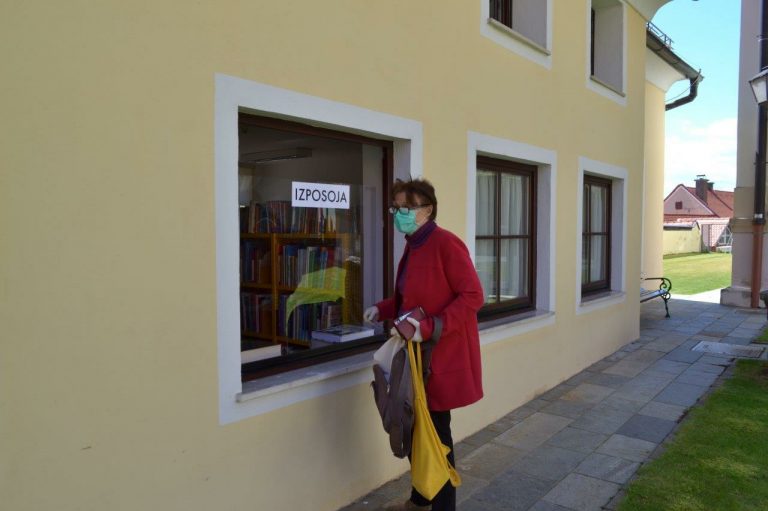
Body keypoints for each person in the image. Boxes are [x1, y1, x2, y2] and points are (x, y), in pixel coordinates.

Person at [364, 178, 484, 511]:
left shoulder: (446, 243)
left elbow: (473, 296)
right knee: (415, 429)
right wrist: (383, 308)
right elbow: (411, 298)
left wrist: (429, 327)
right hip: (415, 357)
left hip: (439, 358)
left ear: (427, 210)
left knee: (436, 436)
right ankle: (420, 500)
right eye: (396, 208)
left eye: (406, 207)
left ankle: (442, 507)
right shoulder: (413, 244)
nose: (399, 213)